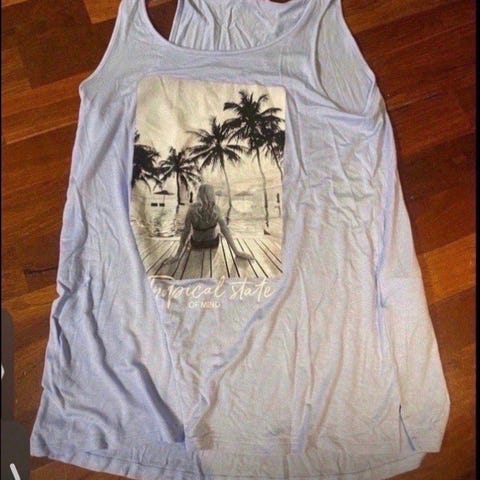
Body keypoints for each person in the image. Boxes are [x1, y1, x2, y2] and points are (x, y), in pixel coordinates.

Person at [162, 183, 255, 265]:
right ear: (212, 195)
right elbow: (225, 230)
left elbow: (185, 231)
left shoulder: (192, 209)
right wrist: (236, 252)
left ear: (199, 195)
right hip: (212, 243)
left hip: (196, 244)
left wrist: (177, 255)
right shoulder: (216, 209)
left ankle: (188, 245)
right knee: (219, 229)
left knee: (191, 232)